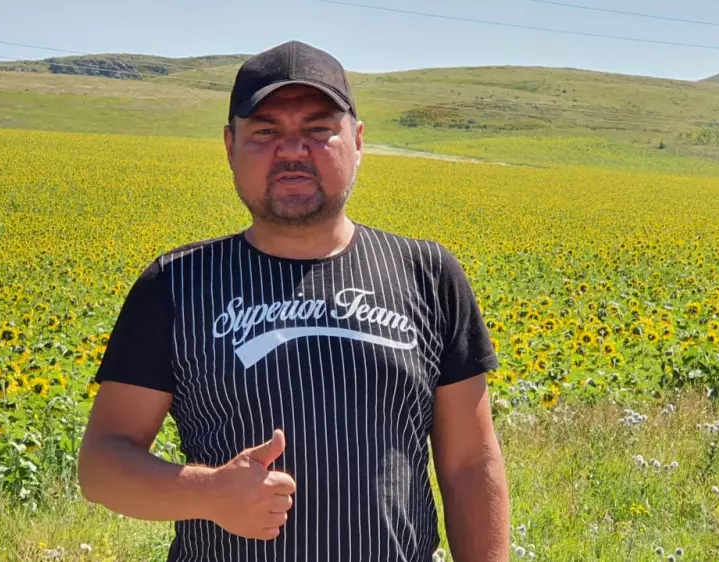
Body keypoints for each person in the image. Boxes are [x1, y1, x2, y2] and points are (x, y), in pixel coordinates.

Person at [77, 39, 509, 562]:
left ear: (358, 141)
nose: (292, 151)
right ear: (230, 146)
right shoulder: (175, 284)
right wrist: (208, 492)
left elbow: (470, 466)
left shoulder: (428, 275)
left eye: (317, 129)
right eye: (265, 132)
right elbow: (102, 464)